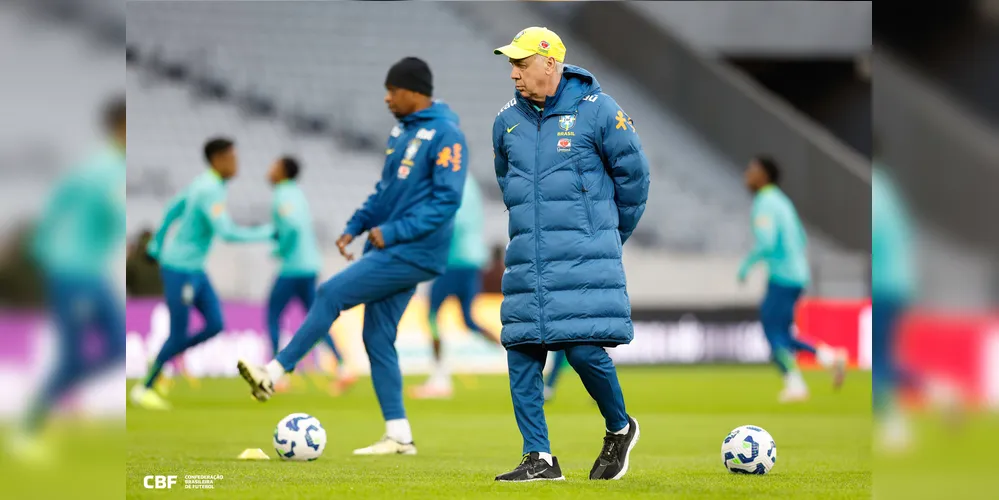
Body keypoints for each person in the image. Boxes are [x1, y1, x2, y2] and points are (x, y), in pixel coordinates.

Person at [237, 57, 468, 456]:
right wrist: (356, 224)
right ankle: (399, 435)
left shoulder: (447, 135)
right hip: (393, 246)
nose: (387, 98)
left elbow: (448, 201)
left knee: (330, 293)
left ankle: (272, 372)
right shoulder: (401, 132)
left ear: (413, 91)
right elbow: (385, 191)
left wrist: (393, 231)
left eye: (392, 91)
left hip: (413, 250)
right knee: (377, 337)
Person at [491, 27, 650, 482]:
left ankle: (620, 427)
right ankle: (538, 458)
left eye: (521, 64)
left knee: (582, 350)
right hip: (528, 259)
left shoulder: (599, 110)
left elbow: (635, 179)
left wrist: (606, 234)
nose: (514, 73)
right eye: (512, 64)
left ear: (550, 63)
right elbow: (508, 184)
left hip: (584, 256)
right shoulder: (506, 121)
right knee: (522, 352)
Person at [10, 97, 126, 459]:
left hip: (88, 271)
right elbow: (98, 212)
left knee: (117, 348)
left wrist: (41, 246)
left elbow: (57, 203)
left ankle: (52, 396)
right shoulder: (104, 169)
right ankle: (31, 421)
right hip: (74, 271)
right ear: (121, 127)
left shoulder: (102, 167)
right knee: (78, 355)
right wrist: (43, 252)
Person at [130, 138, 275, 410]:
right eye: (232, 158)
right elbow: (227, 233)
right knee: (179, 332)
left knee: (216, 324)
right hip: (180, 269)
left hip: (196, 269)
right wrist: (268, 232)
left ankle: (165, 356)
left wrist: (157, 242)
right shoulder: (209, 190)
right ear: (217, 159)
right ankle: (143, 388)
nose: (236, 164)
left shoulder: (203, 184)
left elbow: (173, 207)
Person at [738, 155, 847, 403]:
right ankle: (829, 358)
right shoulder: (782, 201)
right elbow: (801, 237)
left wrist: (746, 265)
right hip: (797, 274)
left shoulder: (765, 202)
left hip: (782, 276)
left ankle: (795, 384)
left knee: (772, 332)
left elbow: (766, 242)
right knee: (782, 333)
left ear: (764, 176)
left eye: (752, 170)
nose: (747, 175)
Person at [265, 156, 354, 395]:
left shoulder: (282, 194)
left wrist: (281, 249)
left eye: (274, 166)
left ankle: (276, 374)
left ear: (283, 171)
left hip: (293, 267)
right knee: (317, 318)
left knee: (273, 315)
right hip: (310, 265)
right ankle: (342, 367)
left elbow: (292, 226)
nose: (269, 170)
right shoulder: (297, 193)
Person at [411, 175, 500, 399]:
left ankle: (440, 380)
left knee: (432, 317)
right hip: (471, 260)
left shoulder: (450, 180)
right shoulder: (470, 182)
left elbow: (449, 221)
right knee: (469, 321)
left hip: (453, 261)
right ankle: (511, 353)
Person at [871, 159, 916, 451]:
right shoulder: (887, 186)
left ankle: (893, 424)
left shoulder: (875, 188)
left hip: (883, 285)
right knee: (883, 357)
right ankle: (937, 389)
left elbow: (872, 232)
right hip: (898, 282)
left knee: (877, 360)